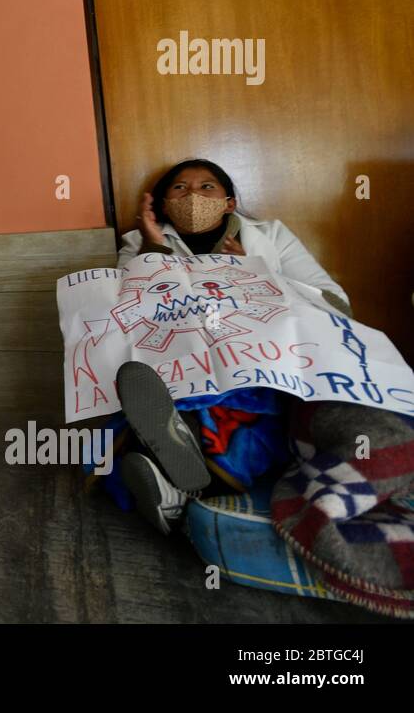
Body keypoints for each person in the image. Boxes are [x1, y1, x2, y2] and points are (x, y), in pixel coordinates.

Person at [111, 158, 350, 533]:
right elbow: (125, 308)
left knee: (248, 408)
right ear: (161, 203)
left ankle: (174, 485)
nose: (192, 195)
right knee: (164, 395)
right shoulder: (137, 241)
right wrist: (153, 248)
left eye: (207, 187)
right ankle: (180, 471)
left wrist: (257, 277)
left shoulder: (270, 236)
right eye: (179, 188)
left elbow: (335, 303)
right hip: (181, 360)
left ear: (229, 203)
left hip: (258, 360)